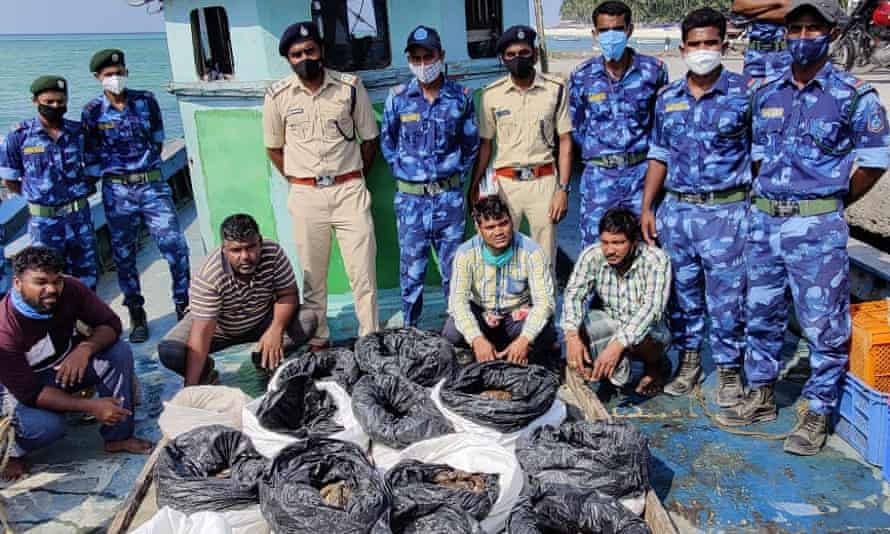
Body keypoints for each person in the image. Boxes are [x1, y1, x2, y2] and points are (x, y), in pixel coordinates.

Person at [716, 0, 890, 456]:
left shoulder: (853, 95)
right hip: (765, 222)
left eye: (814, 28)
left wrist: (830, 199)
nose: (803, 36)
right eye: (796, 28)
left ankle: (817, 410)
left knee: (823, 325)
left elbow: (873, 163)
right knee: (761, 312)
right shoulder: (767, 92)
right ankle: (761, 394)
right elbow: (754, 153)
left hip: (817, 226)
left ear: (831, 34)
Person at [640, 8, 751, 407]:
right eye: (696, 44)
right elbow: (659, 154)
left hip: (727, 212)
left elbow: (758, 158)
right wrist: (647, 206)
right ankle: (689, 362)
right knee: (683, 294)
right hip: (678, 212)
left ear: (723, 45)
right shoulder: (667, 98)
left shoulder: (744, 94)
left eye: (711, 43)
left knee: (727, 297)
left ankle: (728, 369)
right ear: (683, 48)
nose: (703, 51)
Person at [263, 21, 380, 350]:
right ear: (288, 59)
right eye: (296, 54)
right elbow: (274, 147)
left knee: (364, 273)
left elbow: (369, 140)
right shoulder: (278, 96)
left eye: (310, 50)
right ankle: (319, 339)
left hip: (349, 191)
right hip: (306, 195)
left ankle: (370, 339)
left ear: (322, 51)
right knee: (313, 275)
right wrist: (299, 180)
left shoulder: (350, 87)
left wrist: (354, 175)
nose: (304, 58)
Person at [0, 246, 152, 480]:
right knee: (48, 427)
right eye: (40, 282)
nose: (51, 289)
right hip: (19, 390)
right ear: (18, 283)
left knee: (118, 352)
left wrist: (84, 349)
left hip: (66, 365)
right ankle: (13, 451)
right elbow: (30, 393)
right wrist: (91, 406)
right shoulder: (5, 327)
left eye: (56, 281)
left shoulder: (71, 288)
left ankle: (118, 436)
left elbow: (110, 324)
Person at [81, 49, 191, 344]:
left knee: (174, 245)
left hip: (152, 186)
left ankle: (184, 303)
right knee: (124, 255)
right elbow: (90, 155)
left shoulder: (146, 101)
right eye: (107, 74)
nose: (114, 78)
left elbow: (157, 141)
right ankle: (136, 313)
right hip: (117, 192)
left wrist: (143, 172)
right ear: (97, 78)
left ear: (126, 72)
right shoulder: (91, 111)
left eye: (118, 72)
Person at [381, 26, 480, 328]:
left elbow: (470, 145)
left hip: (448, 199)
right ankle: (411, 329)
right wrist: (409, 175)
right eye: (416, 57)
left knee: (454, 268)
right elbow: (388, 142)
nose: (423, 64)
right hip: (411, 200)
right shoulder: (398, 98)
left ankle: (455, 328)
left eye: (429, 56)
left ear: (441, 56)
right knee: (412, 270)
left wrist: (452, 180)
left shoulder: (461, 97)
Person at [158, 214, 317, 386]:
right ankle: (206, 372)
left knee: (307, 319)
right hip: (218, 329)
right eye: (236, 250)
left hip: (261, 321)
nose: (245, 256)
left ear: (260, 242)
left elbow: (288, 294)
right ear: (224, 250)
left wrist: (275, 330)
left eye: (250, 247)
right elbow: (202, 333)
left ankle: (263, 357)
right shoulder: (209, 277)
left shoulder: (273, 252)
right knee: (170, 352)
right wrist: (191, 388)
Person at [569, 1, 668, 249]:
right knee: (596, 249)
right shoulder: (582, 76)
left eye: (617, 28)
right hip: (599, 177)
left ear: (629, 30)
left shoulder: (653, 71)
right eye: (603, 30)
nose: (610, 36)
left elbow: (661, 125)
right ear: (594, 33)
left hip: (641, 175)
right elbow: (577, 126)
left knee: (646, 245)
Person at [470, 25, 573, 263]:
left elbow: (566, 141)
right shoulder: (491, 95)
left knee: (545, 256)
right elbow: (485, 144)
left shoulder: (555, 89)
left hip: (544, 182)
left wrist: (563, 190)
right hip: (506, 185)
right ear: (503, 59)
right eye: (511, 55)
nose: (518, 59)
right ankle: (507, 301)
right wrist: (475, 186)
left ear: (535, 55)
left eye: (524, 53)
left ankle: (544, 301)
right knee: (500, 254)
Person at [0, 76, 98, 290]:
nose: (55, 106)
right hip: (44, 224)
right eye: (49, 102)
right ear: (35, 101)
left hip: (78, 218)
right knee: (47, 280)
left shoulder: (78, 132)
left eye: (60, 102)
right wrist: (37, 199)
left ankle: (87, 323)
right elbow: (9, 180)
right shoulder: (19, 136)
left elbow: (93, 171)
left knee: (87, 279)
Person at [562, 208, 671, 396]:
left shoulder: (656, 260)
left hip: (649, 331)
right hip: (612, 320)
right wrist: (572, 336)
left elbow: (652, 310)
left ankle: (655, 366)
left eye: (618, 243)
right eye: (605, 242)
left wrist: (617, 345)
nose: (609, 250)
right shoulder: (592, 255)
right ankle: (595, 367)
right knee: (577, 325)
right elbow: (573, 295)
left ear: (635, 241)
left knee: (642, 336)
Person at [442, 196, 557, 368]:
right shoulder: (465, 253)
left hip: (515, 316)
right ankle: (482, 351)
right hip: (482, 314)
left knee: (545, 333)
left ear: (511, 221)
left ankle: (518, 351)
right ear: (478, 229)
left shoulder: (532, 252)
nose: (498, 232)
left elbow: (544, 302)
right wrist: (476, 338)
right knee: (452, 333)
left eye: (503, 223)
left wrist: (525, 339)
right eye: (490, 227)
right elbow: (457, 303)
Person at [732, 0, 792, 80]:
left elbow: (792, 12)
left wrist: (752, 16)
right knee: (751, 89)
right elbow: (738, 6)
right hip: (755, 54)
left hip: (784, 54)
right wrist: (779, 2)